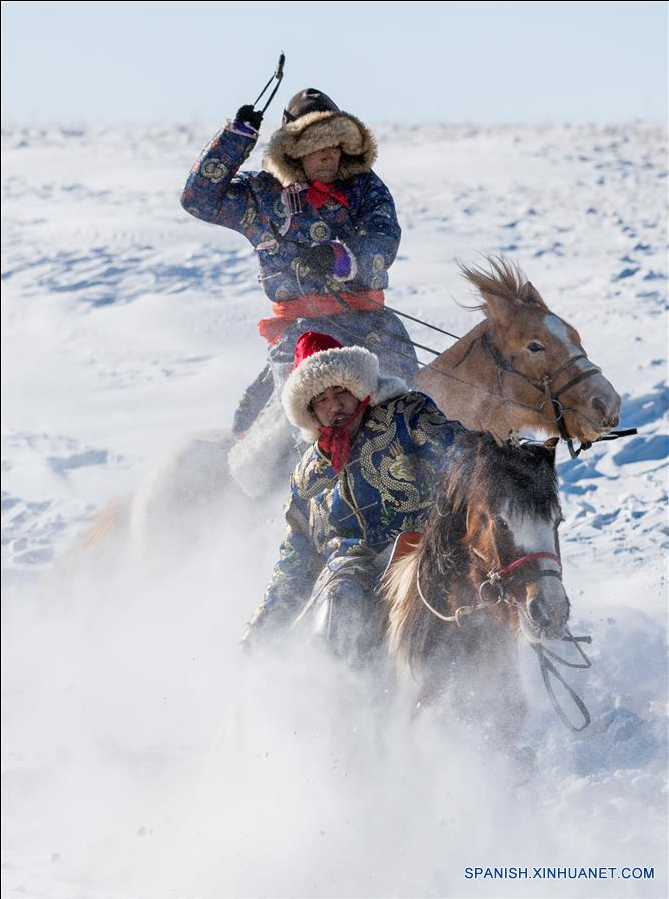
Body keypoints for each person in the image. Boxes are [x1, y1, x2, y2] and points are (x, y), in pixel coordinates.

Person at [180, 88, 417, 439]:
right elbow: (197, 199)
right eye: (315, 145)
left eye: (334, 144)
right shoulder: (259, 196)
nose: (327, 155)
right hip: (298, 336)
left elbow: (384, 237)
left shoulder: (366, 187)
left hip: (370, 328)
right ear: (293, 152)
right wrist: (236, 137)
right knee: (293, 429)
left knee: (408, 406)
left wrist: (340, 258)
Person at [243, 331, 464, 662]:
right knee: (337, 599)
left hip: (427, 546)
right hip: (351, 580)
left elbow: (460, 453)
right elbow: (296, 561)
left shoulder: (406, 415)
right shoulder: (307, 477)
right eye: (321, 400)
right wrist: (258, 637)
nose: (335, 406)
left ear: (358, 386)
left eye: (341, 391)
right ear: (309, 410)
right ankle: (339, 696)